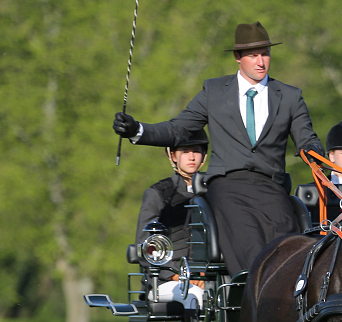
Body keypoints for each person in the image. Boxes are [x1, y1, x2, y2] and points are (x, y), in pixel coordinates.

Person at [113, 21, 325, 275]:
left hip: (271, 187)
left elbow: (307, 138)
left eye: (265, 54)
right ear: (238, 57)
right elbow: (177, 128)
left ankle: (284, 299)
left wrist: (314, 151)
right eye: (253, 55)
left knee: (285, 246)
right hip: (228, 184)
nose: (261, 61)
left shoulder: (290, 96)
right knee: (247, 238)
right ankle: (252, 290)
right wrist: (137, 129)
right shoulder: (213, 91)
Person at [135, 130, 208, 309]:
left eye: (196, 151)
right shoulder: (158, 193)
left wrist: (205, 275)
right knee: (194, 295)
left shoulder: (218, 191)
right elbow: (146, 246)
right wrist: (179, 275)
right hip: (165, 280)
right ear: (173, 156)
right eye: (185, 151)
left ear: (204, 156)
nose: (191, 157)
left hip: (211, 278)